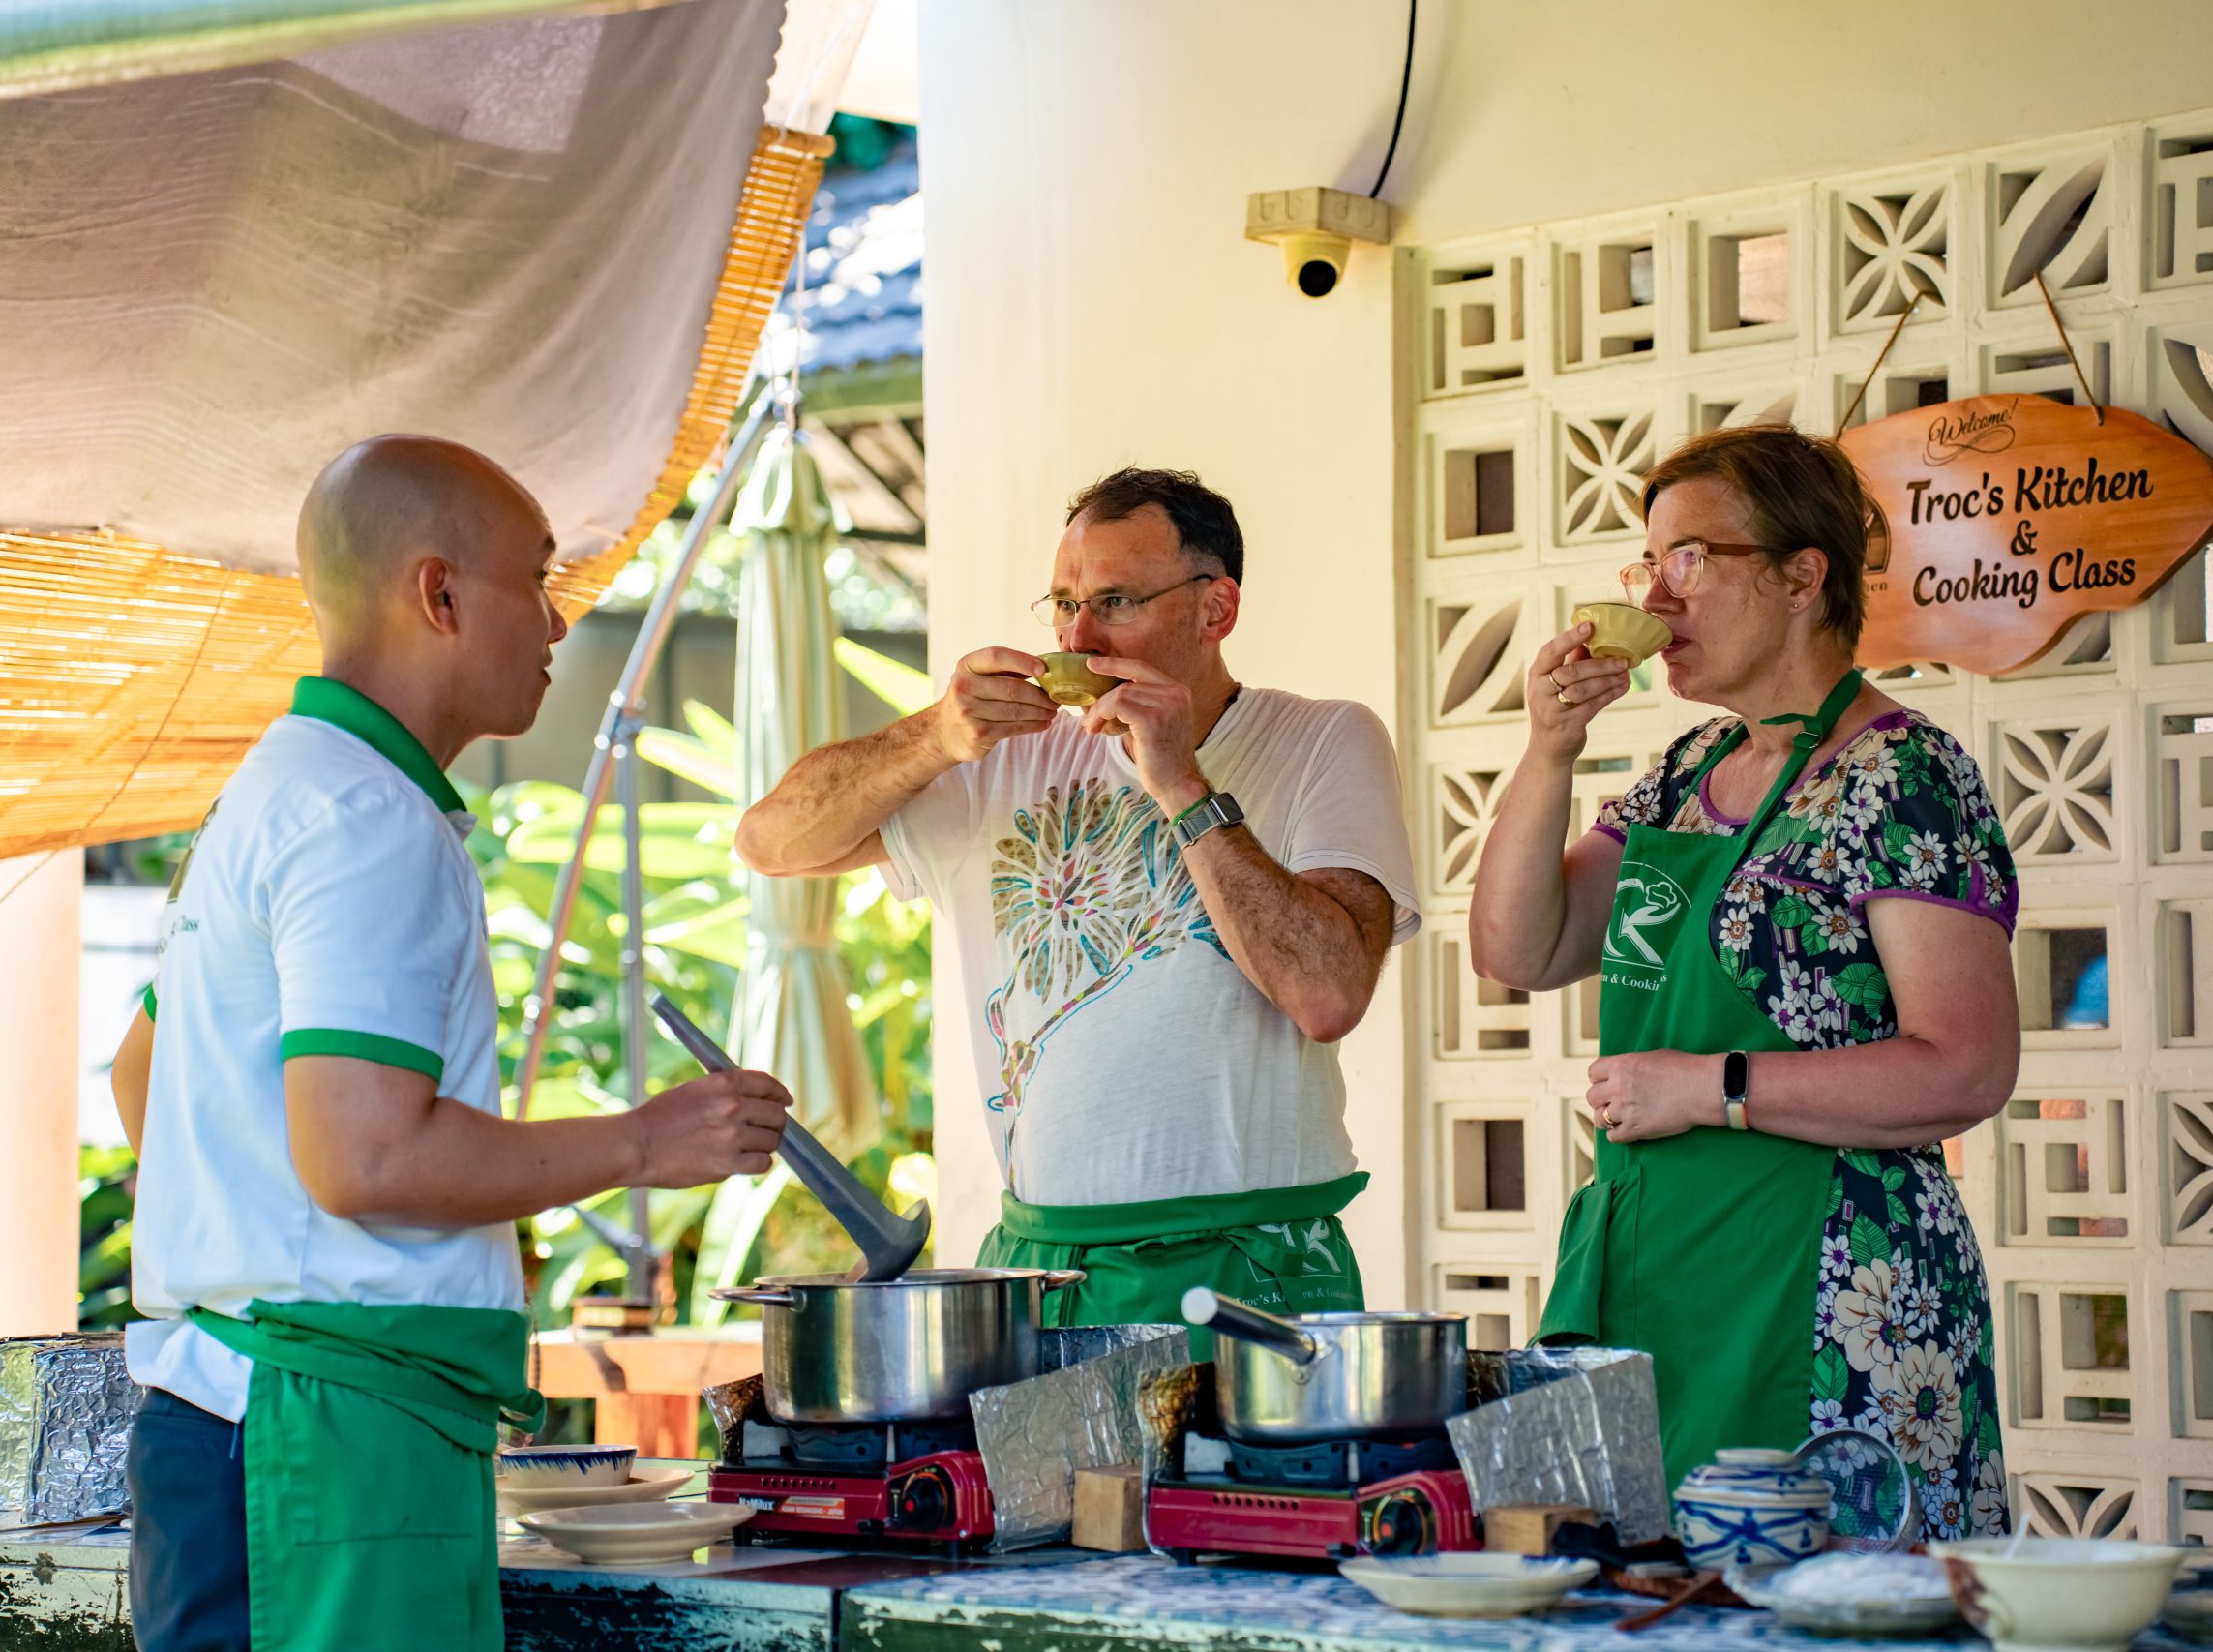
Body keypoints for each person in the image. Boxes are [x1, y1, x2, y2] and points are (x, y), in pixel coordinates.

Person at [107, 436, 794, 1652]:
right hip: (324, 1430)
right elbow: (366, 1160)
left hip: (243, 1409)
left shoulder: (279, 786)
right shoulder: (370, 819)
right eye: (537, 579)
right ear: (439, 595)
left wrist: (263, 1241)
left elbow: (143, 1076)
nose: (557, 622)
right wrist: (644, 1140)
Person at [1468, 424, 2020, 1539]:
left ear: (1799, 576)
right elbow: (1515, 952)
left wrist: (1711, 1085)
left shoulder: (1902, 774)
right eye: (1648, 562)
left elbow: (1963, 1067)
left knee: (1827, 1606)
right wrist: (1547, 755)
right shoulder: (1681, 774)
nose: (1656, 595)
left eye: (1689, 559)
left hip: (1827, 1284)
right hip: (1657, 1268)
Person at [738, 467, 1419, 1340]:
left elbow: (1327, 994)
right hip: (1043, 1267)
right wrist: (938, 733)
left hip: (1252, 1266)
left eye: (1116, 601)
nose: (1078, 635)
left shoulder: (1324, 738)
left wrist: (1176, 780)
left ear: (1217, 609)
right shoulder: (998, 756)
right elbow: (770, 843)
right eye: (1061, 604)